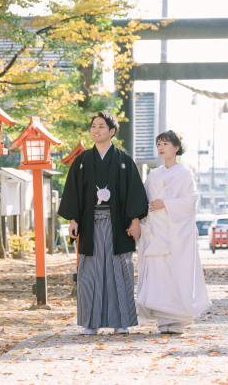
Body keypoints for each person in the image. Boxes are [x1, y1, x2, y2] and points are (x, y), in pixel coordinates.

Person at [58, 111, 149, 335]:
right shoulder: (81, 161)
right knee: (90, 271)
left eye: (101, 126)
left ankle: (122, 322)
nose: (96, 130)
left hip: (118, 225)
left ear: (112, 131)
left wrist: (135, 220)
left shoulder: (124, 160)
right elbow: (74, 193)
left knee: (120, 268)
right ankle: (91, 322)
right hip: (90, 224)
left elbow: (134, 193)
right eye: (93, 126)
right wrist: (73, 219)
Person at [137, 130, 211, 334]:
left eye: (166, 144)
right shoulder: (153, 175)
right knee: (159, 275)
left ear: (176, 148)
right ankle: (164, 319)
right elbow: (144, 201)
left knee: (176, 273)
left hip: (177, 233)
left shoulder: (184, 173)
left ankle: (176, 320)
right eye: (159, 143)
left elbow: (191, 201)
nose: (161, 147)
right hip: (156, 231)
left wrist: (166, 203)